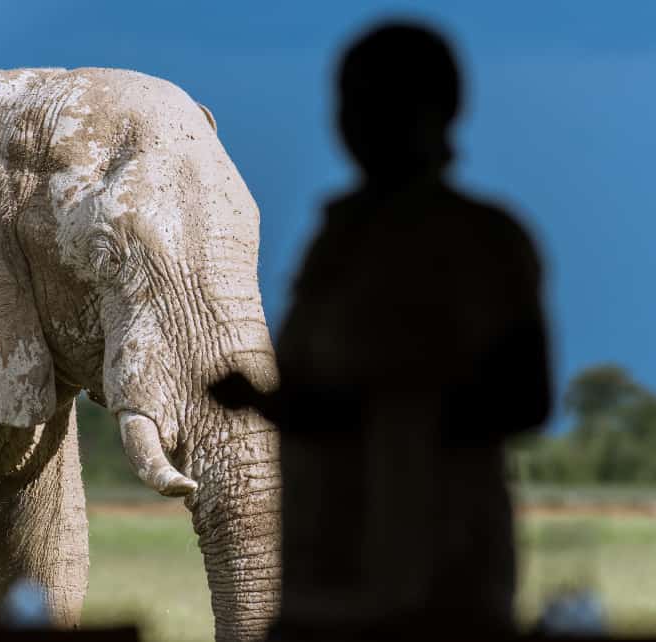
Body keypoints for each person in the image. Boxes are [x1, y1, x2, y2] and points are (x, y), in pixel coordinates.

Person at [210, 21, 553, 640]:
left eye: (381, 103)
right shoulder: (336, 239)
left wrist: (352, 409)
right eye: (351, 103)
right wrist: (282, 403)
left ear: (440, 111)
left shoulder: (480, 242)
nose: (357, 122)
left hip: (441, 586)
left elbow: (527, 396)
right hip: (323, 577)